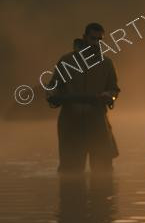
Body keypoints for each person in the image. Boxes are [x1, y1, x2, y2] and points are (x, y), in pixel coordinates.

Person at [48, 22, 120, 173]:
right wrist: (53, 96)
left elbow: (114, 88)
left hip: (97, 122)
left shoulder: (106, 63)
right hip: (71, 123)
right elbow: (53, 86)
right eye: (93, 39)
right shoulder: (67, 61)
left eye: (100, 40)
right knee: (70, 171)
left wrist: (109, 95)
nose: (96, 43)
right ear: (84, 38)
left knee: (103, 170)